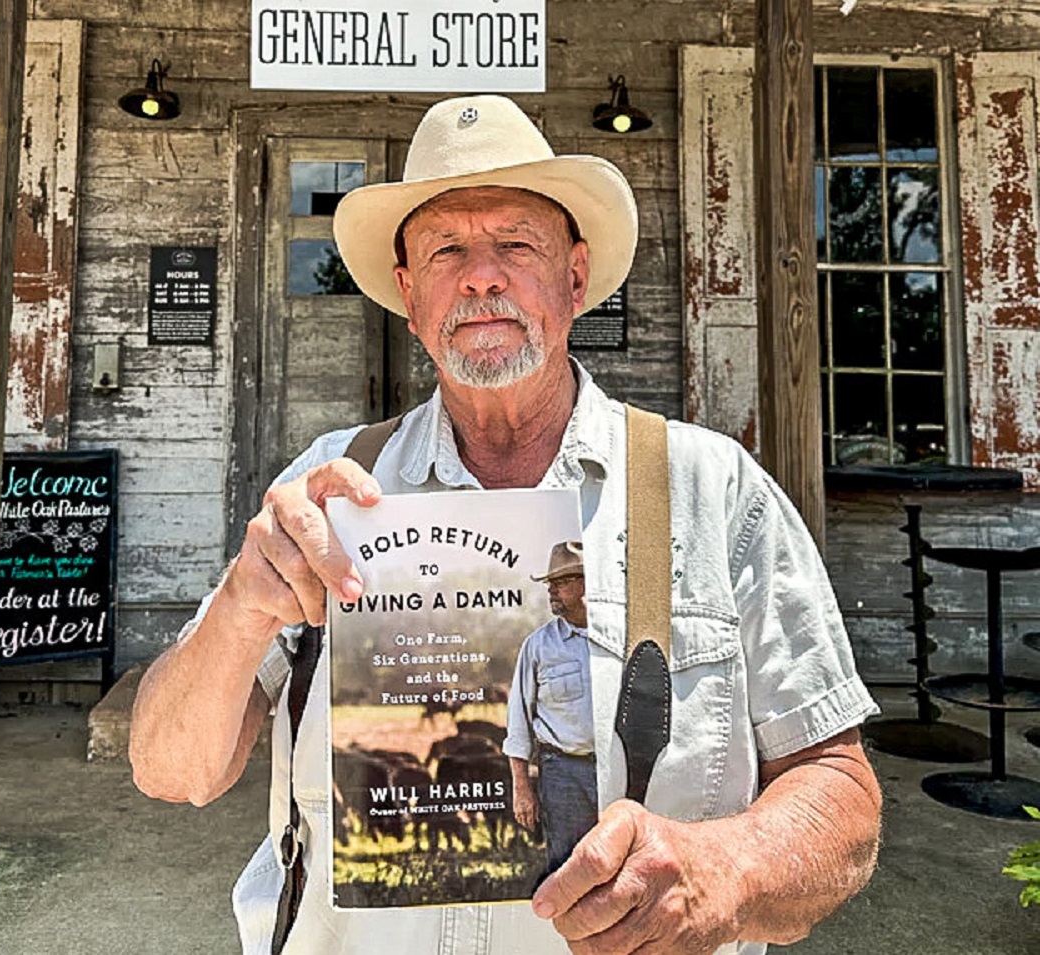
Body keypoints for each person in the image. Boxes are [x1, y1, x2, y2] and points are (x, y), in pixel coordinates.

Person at [129, 94, 882, 955]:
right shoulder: (326, 491)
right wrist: (241, 606)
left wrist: (730, 866)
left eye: (515, 244)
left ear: (573, 278)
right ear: (409, 298)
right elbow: (172, 769)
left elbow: (838, 784)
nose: (480, 275)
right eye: (446, 248)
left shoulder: (713, 489)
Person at [504, 541, 598, 877]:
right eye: (550, 586)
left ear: (586, 583)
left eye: (559, 584)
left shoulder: (621, 636)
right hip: (563, 773)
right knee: (568, 872)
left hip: (621, 769)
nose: (552, 593)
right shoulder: (538, 645)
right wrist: (522, 789)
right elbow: (518, 721)